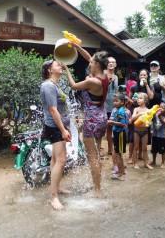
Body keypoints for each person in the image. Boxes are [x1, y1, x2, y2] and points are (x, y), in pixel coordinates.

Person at [63, 44, 109, 198]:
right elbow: (89, 56)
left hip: (92, 119)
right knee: (96, 152)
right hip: (102, 116)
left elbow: (74, 86)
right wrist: (77, 46)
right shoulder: (105, 75)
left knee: (92, 156)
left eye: (91, 63)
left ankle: (97, 190)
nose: (89, 63)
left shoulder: (93, 82)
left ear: (97, 65)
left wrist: (67, 69)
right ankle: (98, 186)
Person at [40, 60, 71, 210]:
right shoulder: (48, 86)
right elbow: (53, 109)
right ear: (49, 70)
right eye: (56, 64)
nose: (60, 65)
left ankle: (56, 188)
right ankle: (53, 198)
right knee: (61, 160)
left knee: (55, 159)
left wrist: (65, 126)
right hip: (54, 127)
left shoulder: (54, 85)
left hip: (59, 126)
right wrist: (63, 130)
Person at [130, 92, 153, 170]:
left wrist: (148, 124)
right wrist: (139, 114)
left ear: (145, 100)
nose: (138, 100)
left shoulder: (148, 110)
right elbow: (133, 118)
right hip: (136, 131)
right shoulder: (136, 109)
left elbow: (150, 121)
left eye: (140, 98)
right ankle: (135, 163)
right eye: (138, 98)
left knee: (145, 148)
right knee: (135, 147)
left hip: (145, 131)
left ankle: (146, 163)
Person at [108, 93, 127, 181]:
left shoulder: (120, 111)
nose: (114, 103)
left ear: (122, 102)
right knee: (118, 153)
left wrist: (112, 123)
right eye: (114, 101)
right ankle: (121, 171)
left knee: (119, 154)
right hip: (117, 133)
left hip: (120, 134)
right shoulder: (117, 110)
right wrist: (112, 120)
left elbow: (122, 123)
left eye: (117, 101)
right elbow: (118, 119)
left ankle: (121, 173)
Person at [105, 57, 118, 158]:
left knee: (111, 128)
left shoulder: (116, 77)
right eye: (109, 62)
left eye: (113, 62)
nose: (111, 63)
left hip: (113, 106)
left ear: (116, 64)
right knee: (102, 128)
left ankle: (110, 148)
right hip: (103, 106)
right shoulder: (103, 75)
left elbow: (116, 92)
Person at [149, 102, 165, 169]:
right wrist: (154, 113)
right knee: (154, 150)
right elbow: (152, 119)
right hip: (155, 135)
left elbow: (163, 123)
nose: (161, 109)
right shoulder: (156, 114)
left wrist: (160, 116)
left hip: (161, 136)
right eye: (160, 107)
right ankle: (154, 161)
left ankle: (163, 163)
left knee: (163, 151)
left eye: (163, 108)